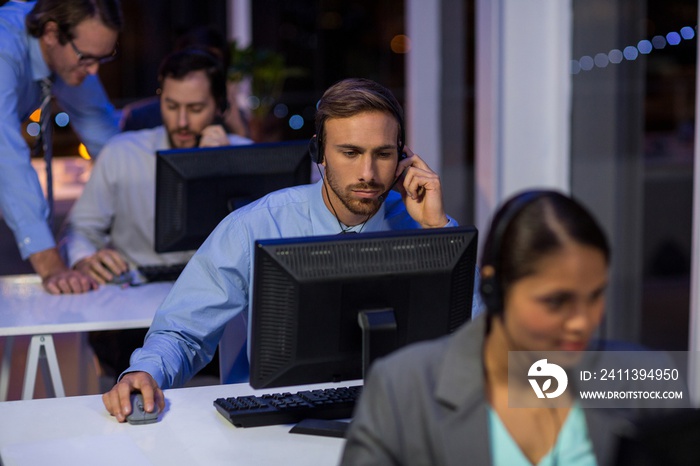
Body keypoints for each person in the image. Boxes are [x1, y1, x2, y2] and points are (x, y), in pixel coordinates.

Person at [101, 77, 484, 422]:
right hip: (273, 421)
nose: (368, 173)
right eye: (350, 153)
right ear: (319, 153)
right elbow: (183, 332)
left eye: (382, 154)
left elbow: (479, 338)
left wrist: (437, 229)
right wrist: (145, 372)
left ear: (402, 158)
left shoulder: (420, 225)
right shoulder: (256, 224)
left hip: (396, 417)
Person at [340, 190, 687, 466]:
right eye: (556, 301)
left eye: (594, 296)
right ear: (494, 288)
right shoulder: (403, 390)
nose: (583, 321)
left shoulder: (646, 377)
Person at [59, 47, 252, 383]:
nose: (180, 122)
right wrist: (84, 258)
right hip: (129, 314)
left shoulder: (245, 156)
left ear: (219, 106)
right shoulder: (123, 152)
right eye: (171, 105)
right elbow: (78, 231)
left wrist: (222, 168)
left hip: (213, 314)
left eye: (195, 109)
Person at [0, 0, 122, 294]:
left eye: (102, 59)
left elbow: (110, 146)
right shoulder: (4, 47)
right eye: (86, 58)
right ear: (52, 33)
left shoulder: (68, 58)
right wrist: (50, 263)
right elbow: (6, 155)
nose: (93, 71)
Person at [119, 25, 250, 138]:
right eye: (172, 107)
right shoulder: (140, 118)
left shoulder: (229, 119)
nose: (183, 122)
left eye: (196, 109)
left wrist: (238, 129)